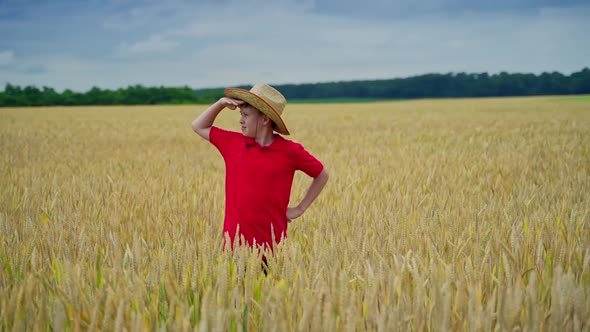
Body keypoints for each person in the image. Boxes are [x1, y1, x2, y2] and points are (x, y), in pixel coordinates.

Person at [191, 83, 329, 254]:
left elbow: (321, 174)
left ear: (265, 120)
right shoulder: (233, 143)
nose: (241, 120)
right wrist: (220, 104)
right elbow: (198, 126)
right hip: (234, 248)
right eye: (241, 114)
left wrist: (300, 208)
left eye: (246, 115)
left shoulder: (290, 151)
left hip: (272, 248)